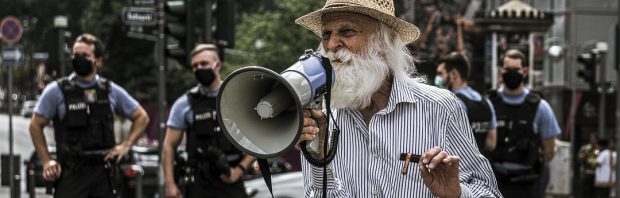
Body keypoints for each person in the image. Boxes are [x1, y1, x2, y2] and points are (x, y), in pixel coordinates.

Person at [294, 0, 501, 197]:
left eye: (346, 31)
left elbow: (488, 191)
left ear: (384, 42)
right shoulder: (323, 120)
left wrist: (456, 194)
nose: (331, 44)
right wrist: (319, 161)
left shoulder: (439, 107)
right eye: (326, 34)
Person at [28, 33, 150, 198]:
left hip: (103, 174)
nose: (79, 59)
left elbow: (141, 117)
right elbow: (35, 125)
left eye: (85, 55)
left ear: (98, 61)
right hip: (71, 173)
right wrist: (46, 160)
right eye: (75, 55)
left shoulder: (109, 90)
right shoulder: (57, 91)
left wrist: (125, 146)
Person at [162, 44, 255, 198]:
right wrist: (170, 185)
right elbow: (168, 146)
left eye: (203, 64)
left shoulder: (237, 98)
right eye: (195, 66)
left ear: (217, 65)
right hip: (198, 184)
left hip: (231, 181)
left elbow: (257, 139)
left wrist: (239, 170)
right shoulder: (184, 103)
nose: (199, 68)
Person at [488, 49, 561, 198]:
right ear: (501, 71)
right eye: (508, 69)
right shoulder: (489, 103)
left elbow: (549, 150)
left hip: (528, 184)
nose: (512, 73)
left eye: (516, 69)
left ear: (525, 71)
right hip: (495, 183)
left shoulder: (541, 107)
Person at [435, 52, 497, 156]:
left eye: (441, 74)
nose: (438, 78)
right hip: (481, 168)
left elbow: (444, 145)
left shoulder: (453, 103)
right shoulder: (486, 102)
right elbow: (491, 144)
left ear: (453, 74)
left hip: (459, 170)